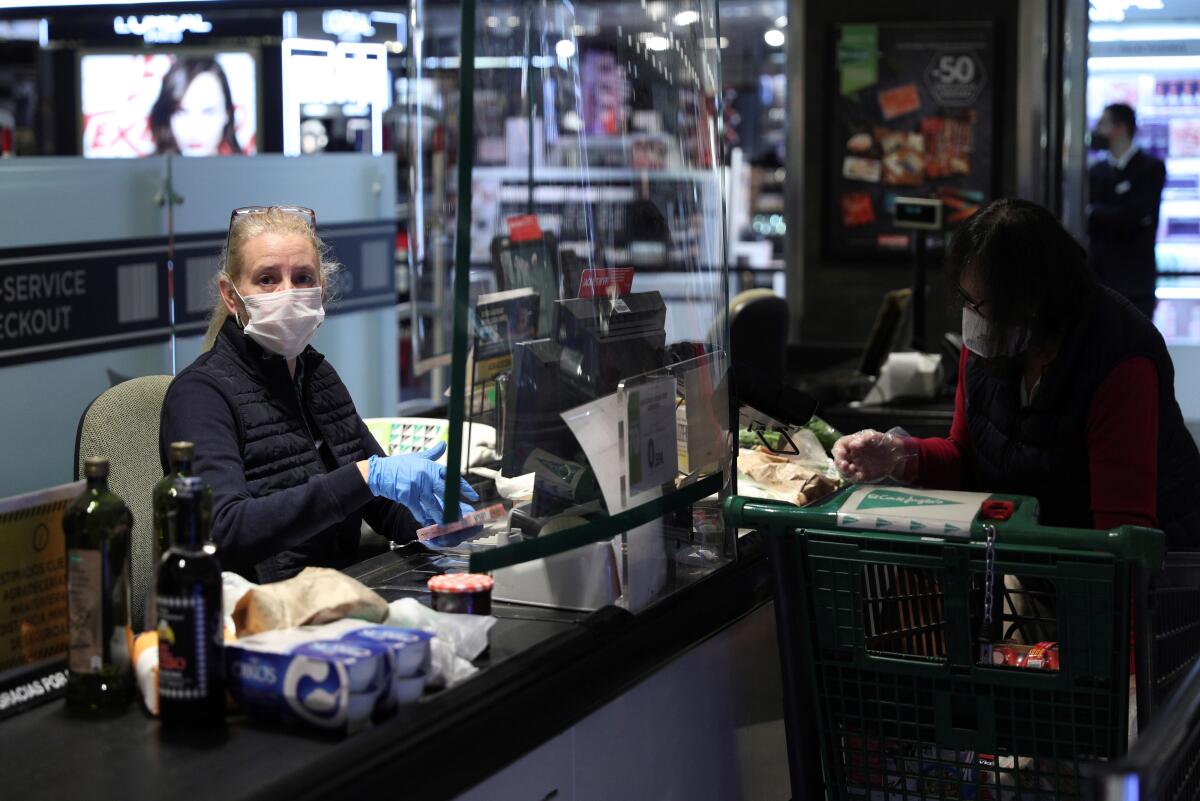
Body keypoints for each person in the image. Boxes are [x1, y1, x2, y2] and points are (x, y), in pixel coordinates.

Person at [833, 199, 1200, 548]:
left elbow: (1122, 538)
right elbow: (966, 459)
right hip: (1044, 564)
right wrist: (899, 456)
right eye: (966, 301)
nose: (972, 318)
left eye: (982, 305)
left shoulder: (1118, 359)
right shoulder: (989, 342)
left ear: (1034, 301)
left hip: (1151, 575)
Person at [160, 206, 479, 582]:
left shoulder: (317, 375)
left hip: (337, 595)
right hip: (256, 614)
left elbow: (383, 507)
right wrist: (363, 477)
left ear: (321, 291)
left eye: (302, 278)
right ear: (231, 297)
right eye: (266, 279)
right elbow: (224, 532)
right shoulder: (200, 395)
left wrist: (436, 522)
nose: (288, 294)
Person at [1087, 103, 1166, 318]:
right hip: (1100, 280)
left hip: (1136, 283)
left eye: (1103, 124)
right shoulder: (1096, 171)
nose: (1097, 131)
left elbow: (1136, 214)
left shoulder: (1151, 168)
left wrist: (1097, 212)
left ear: (1120, 127)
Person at [149, 57, 243, 157]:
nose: (194, 128)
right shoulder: (148, 167)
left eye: (208, 112)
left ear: (227, 114)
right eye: (181, 112)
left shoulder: (245, 168)